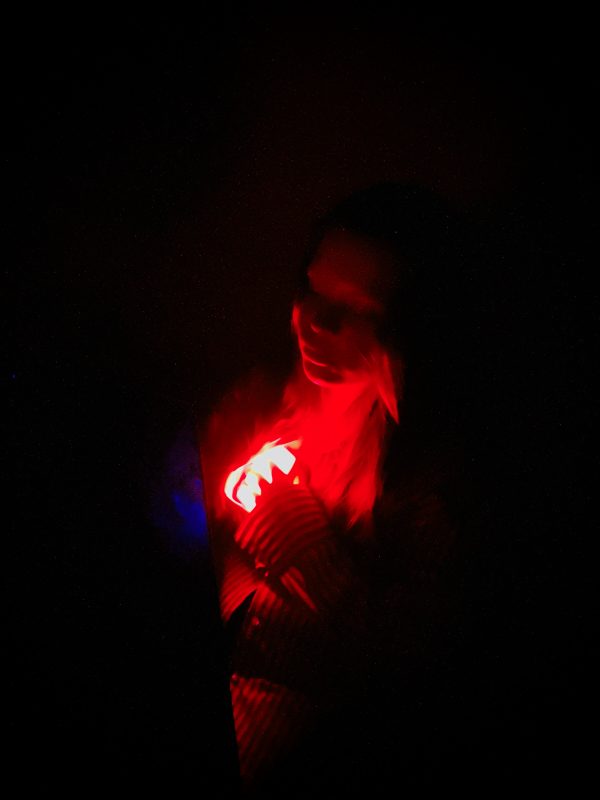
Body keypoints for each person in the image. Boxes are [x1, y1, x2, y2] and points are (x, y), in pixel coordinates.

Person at [196, 183, 471, 794]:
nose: (316, 322)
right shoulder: (266, 406)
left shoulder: (436, 489)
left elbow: (397, 669)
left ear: (412, 330)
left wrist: (288, 528)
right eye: (313, 291)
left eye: (360, 309)